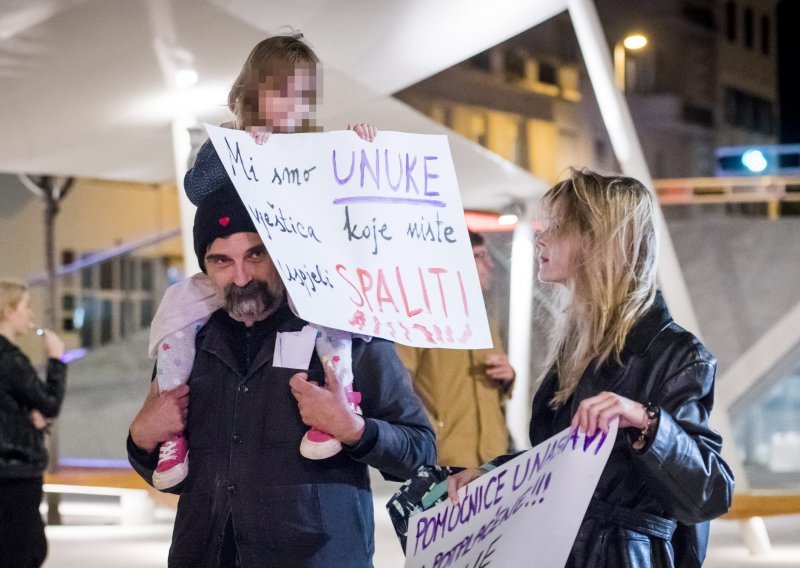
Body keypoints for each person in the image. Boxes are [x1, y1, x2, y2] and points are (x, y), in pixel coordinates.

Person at [128, 184, 436, 567]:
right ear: (204, 268)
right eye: (222, 261)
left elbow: (420, 451)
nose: (241, 278)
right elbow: (167, 467)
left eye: (255, 254)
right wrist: (141, 438)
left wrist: (354, 430)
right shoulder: (188, 338)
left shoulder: (343, 326)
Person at [447, 169, 734, 567]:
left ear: (602, 242)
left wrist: (647, 422)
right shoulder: (579, 345)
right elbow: (561, 462)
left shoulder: (675, 352)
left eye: (560, 226)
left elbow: (711, 492)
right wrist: (492, 476)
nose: (542, 235)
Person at [149, 32, 377, 490]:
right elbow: (196, 189)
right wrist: (238, 152)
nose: (290, 105)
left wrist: (359, 149)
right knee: (177, 312)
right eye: (279, 91)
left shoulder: (316, 145)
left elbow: (349, 199)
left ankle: (340, 401)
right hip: (235, 272)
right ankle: (170, 432)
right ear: (251, 92)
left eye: (301, 95)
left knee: (335, 315)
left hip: (298, 272)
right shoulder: (227, 142)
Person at [395, 231, 515, 468]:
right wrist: (430, 427)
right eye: (480, 256)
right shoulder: (420, 318)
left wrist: (508, 376)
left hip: (492, 458)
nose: (489, 264)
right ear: (456, 263)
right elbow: (398, 380)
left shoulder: (485, 323)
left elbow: (489, 390)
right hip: (445, 460)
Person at [0, 279, 67, 568]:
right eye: (25, 306)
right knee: (25, 552)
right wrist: (56, 360)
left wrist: (26, 414)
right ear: (8, 311)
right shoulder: (9, 359)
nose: (30, 314)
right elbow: (49, 402)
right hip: (15, 472)